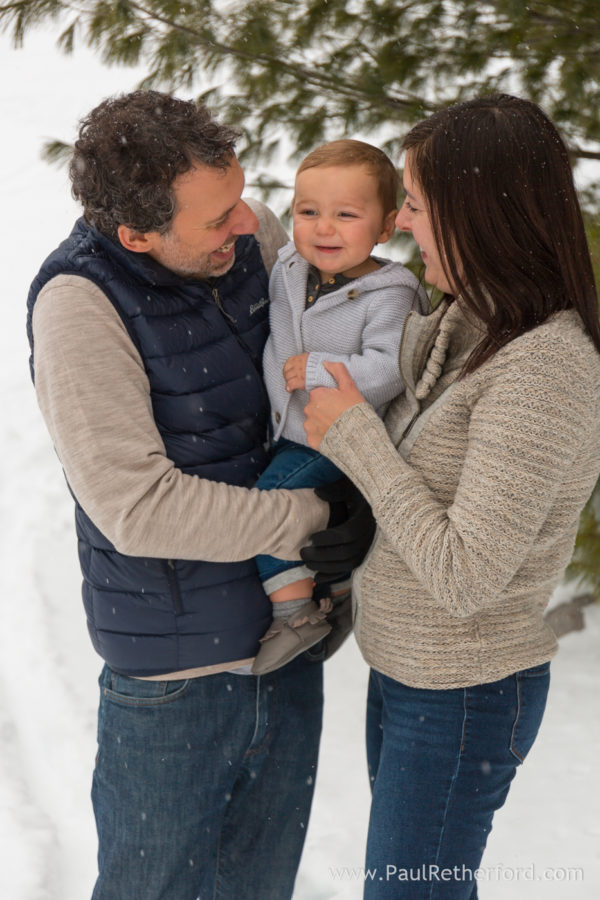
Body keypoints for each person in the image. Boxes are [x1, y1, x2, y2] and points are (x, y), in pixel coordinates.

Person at [26, 89, 368, 900]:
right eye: (216, 221)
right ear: (136, 234)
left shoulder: (249, 241)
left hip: (290, 645)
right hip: (176, 685)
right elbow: (138, 507)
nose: (248, 224)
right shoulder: (80, 304)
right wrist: (314, 517)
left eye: (239, 198)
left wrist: (360, 496)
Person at [301, 93, 600, 898]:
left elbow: (467, 574)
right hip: (408, 676)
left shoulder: (545, 370)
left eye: (418, 205)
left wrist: (352, 433)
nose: (399, 221)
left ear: (479, 217)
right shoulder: (471, 319)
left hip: (463, 697)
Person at [251, 139, 426, 675]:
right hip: (287, 428)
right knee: (288, 509)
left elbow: (389, 369)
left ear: (384, 226)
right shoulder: (288, 268)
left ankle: (296, 611)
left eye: (345, 215)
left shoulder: (390, 294)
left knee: (271, 502)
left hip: (335, 435)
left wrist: (323, 368)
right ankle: (336, 588)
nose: (323, 228)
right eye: (307, 212)